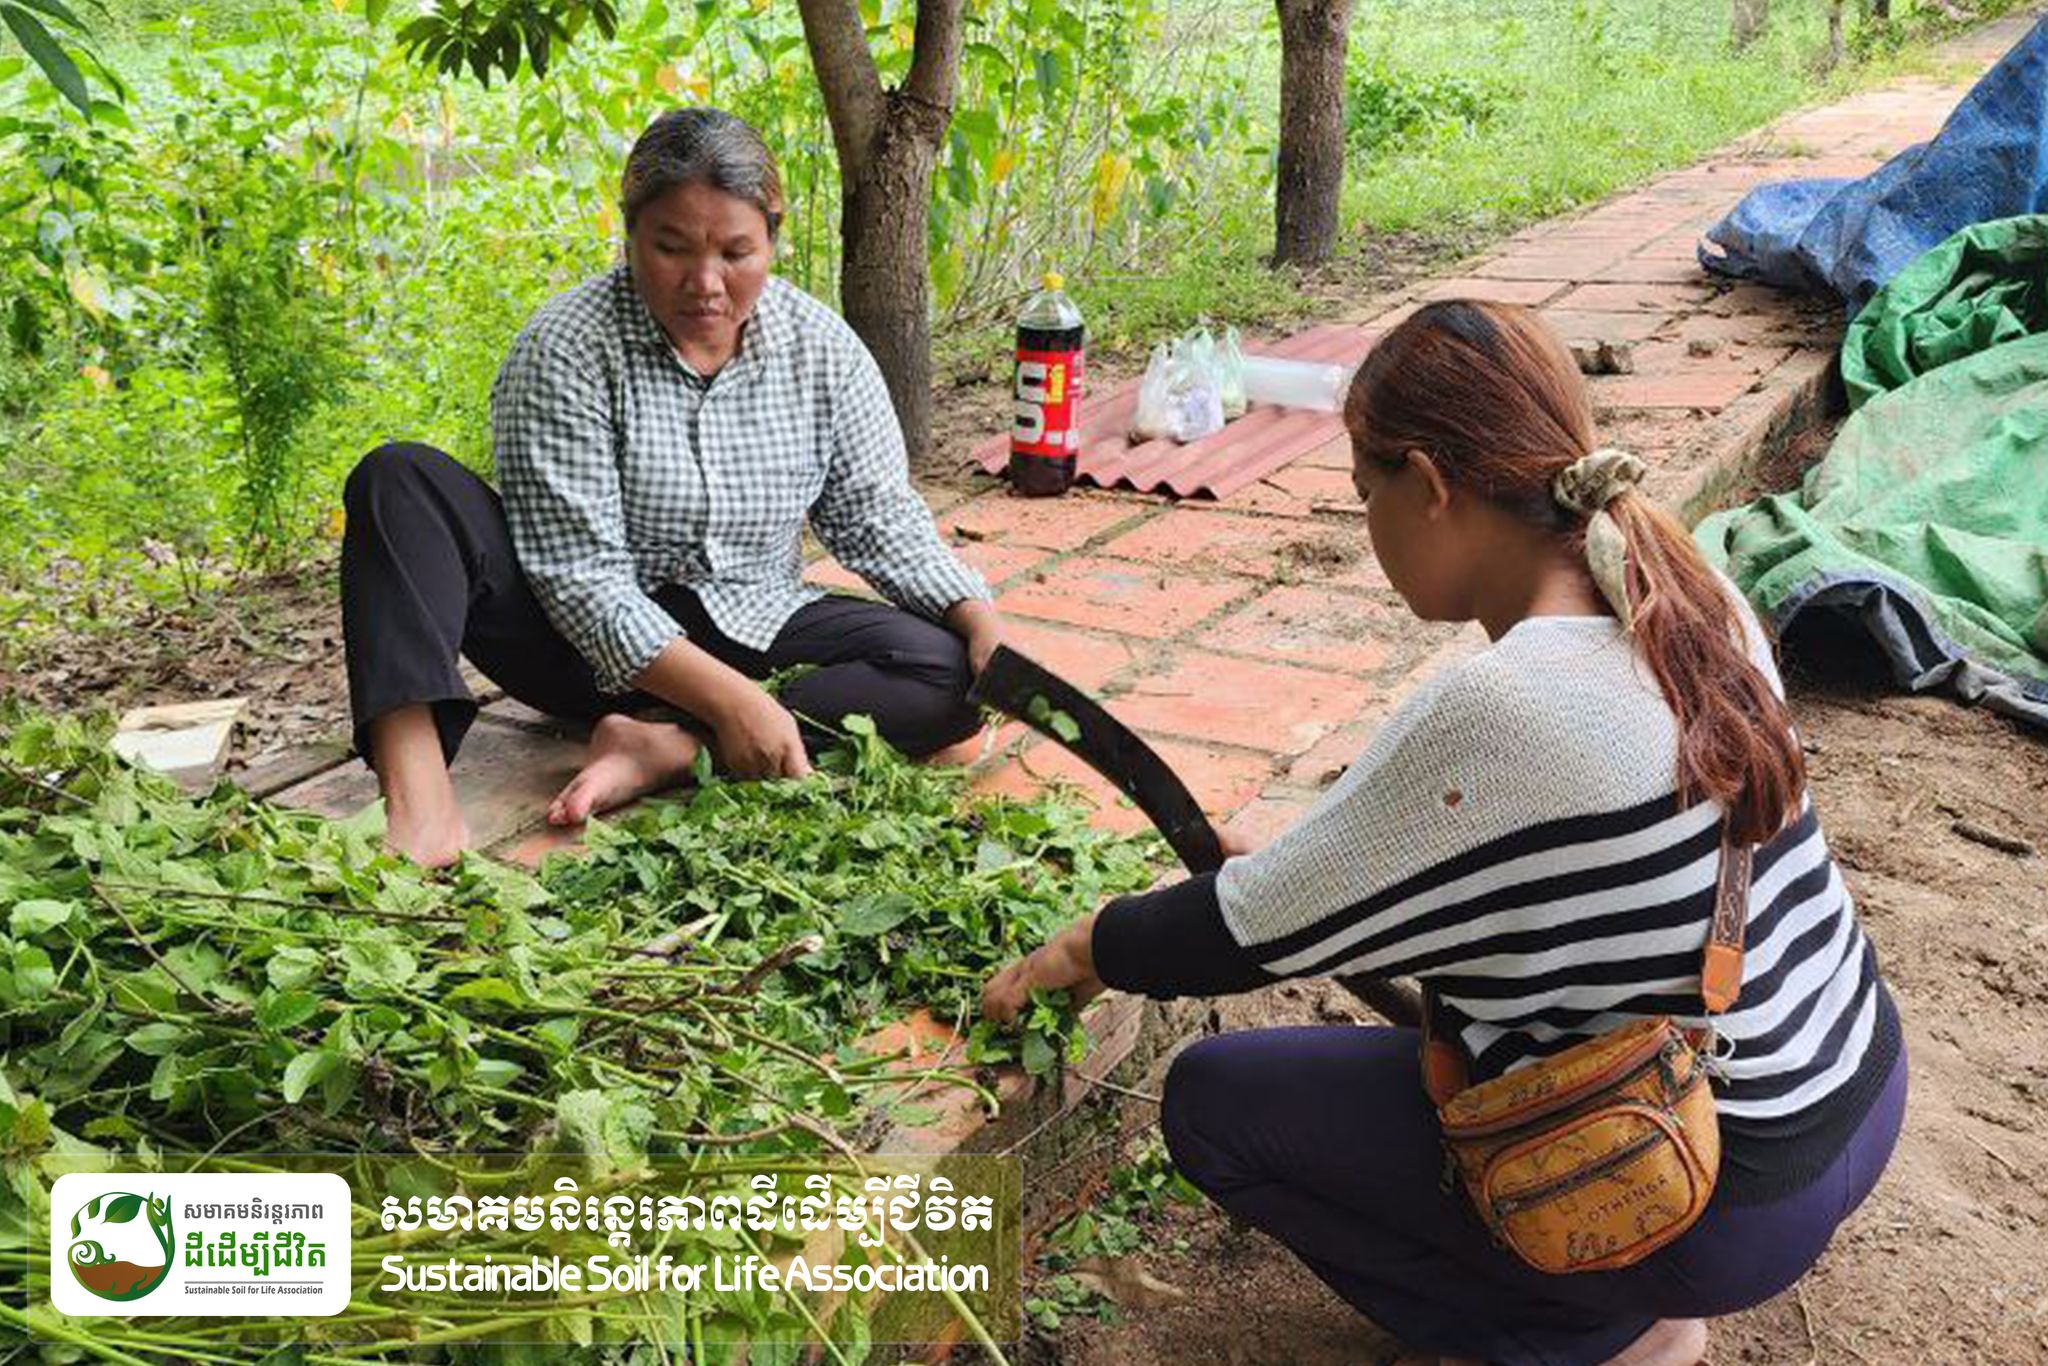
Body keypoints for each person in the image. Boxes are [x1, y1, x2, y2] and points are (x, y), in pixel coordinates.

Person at [982, 300, 1905, 1366]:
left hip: (1704, 1187)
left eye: (1362, 492)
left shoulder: (1503, 705)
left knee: (1215, 1105)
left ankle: (1584, 1333)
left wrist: (1084, 948)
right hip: (1843, 1092)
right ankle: (1621, 1296)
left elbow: (1239, 936)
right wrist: (1301, 871)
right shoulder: (1689, 597)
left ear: (1426, 485)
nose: (1366, 524)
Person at [340, 108, 1003, 866]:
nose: (705, 284)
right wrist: (733, 700)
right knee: (398, 480)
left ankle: (673, 747)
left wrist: (976, 617)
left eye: (736, 252)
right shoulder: (567, 346)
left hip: (749, 621)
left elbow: (876, 515)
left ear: (772, 240)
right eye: (671, 248)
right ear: (629, 236)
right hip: (574, 646)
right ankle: (421, 806)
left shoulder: (822, 350)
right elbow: (579, 576)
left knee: (951, 675)